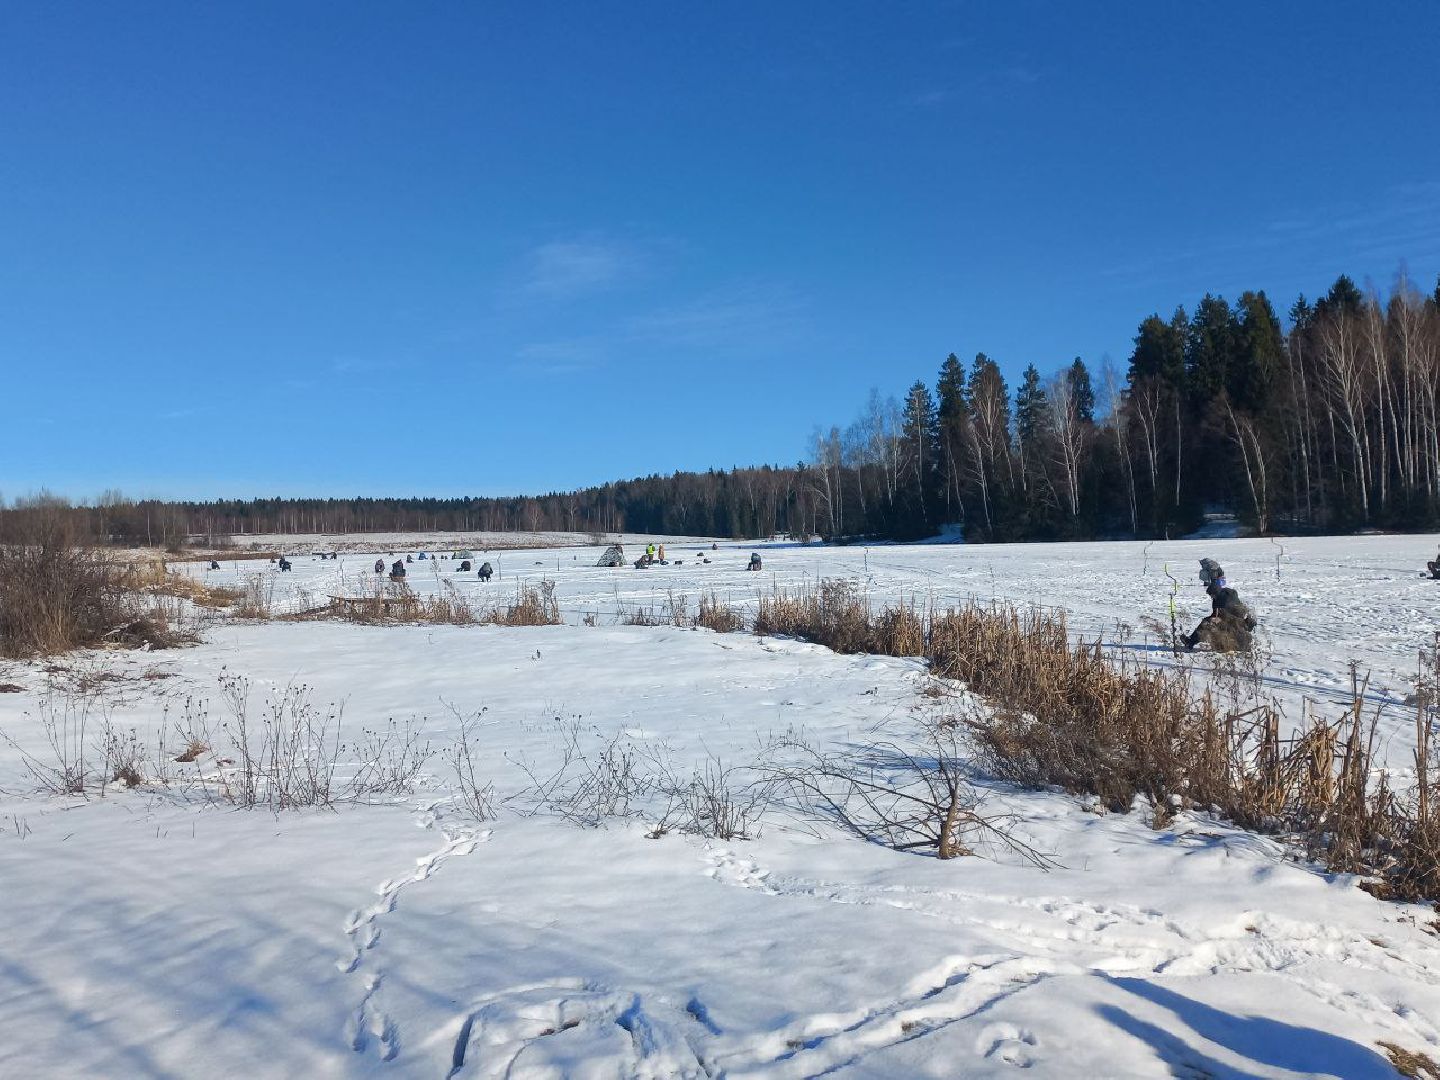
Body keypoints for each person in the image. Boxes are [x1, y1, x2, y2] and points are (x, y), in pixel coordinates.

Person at [1183, 565, 1256, 652]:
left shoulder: (1225, 602)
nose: (1211, 597)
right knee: (1209, 621)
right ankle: (1192, 641)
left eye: (1211, 595)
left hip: (1235, 640)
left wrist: (1215, 620)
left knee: (1207, 623)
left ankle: (1191, 642)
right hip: (1241, 637)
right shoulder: (1227, 595)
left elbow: (1226, 619)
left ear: (1215, 592)